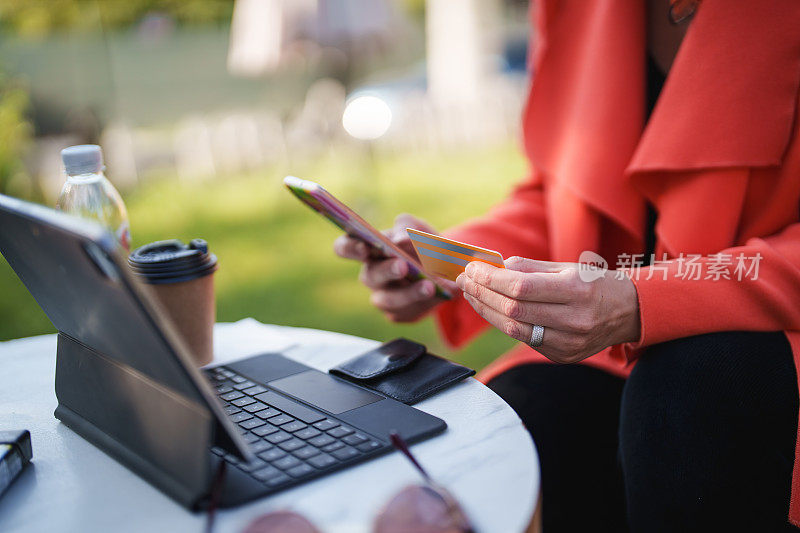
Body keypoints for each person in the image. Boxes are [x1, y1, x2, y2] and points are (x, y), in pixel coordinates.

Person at [335, 0, 800, 531]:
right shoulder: (571, 8)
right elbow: (560, 196)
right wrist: (447, 260)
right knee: (526, 413)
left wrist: (643, 301)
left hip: (770, 339)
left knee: (692, 389)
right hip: (609, 356)